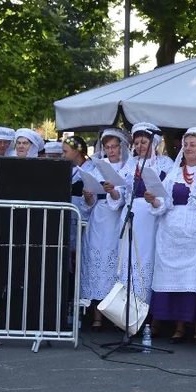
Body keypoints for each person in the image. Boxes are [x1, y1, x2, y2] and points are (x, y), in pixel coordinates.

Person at [149, 127, 196, 343]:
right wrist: (153, 200)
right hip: (171, 233)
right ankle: (178, 326)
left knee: (195, 278)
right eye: (186, 144)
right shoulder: (174, 173)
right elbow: (164, 202)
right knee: (172, 278)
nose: (188, 148)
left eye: (193, 145)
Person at [118, 123, 172, 314]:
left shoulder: (165, 164)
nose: (140, 146)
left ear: (154, 143)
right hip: (132, 215)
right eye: (137, 142)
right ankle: (126, 310)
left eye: (144, 142)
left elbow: (169, 195)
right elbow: (122, 193)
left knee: (146, 260)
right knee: (127, 260)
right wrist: (112, 190)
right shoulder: (130, 163)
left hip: (152, 218)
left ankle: (144, 310)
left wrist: (155, 201)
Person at [79, 128, 130, 331]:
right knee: (96, 265)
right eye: (107, 147)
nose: (111, 151)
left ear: (121, 147)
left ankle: (116, 314)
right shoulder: (97, 167)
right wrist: (89, 195)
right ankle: (97, 315)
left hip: (117, 219)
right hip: (98, 218)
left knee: (115, 266)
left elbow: (123, 197)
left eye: (114, 147)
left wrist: (114, 192)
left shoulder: (127, 166)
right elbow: (88, 203)